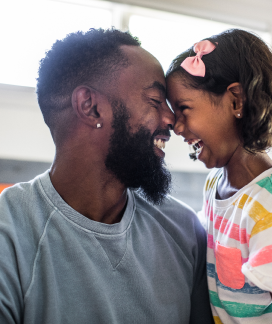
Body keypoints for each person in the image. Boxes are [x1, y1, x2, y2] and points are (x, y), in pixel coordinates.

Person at [0, 28, 214, 324]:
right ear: (91, 107)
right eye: (155, 100)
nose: (172, 120)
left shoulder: (185, 230)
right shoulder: (8, 232)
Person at [166, 29, 272, 324]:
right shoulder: (215, 183)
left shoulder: (270, 212)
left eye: (184, 109)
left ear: (236, 101)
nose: (177, 127)